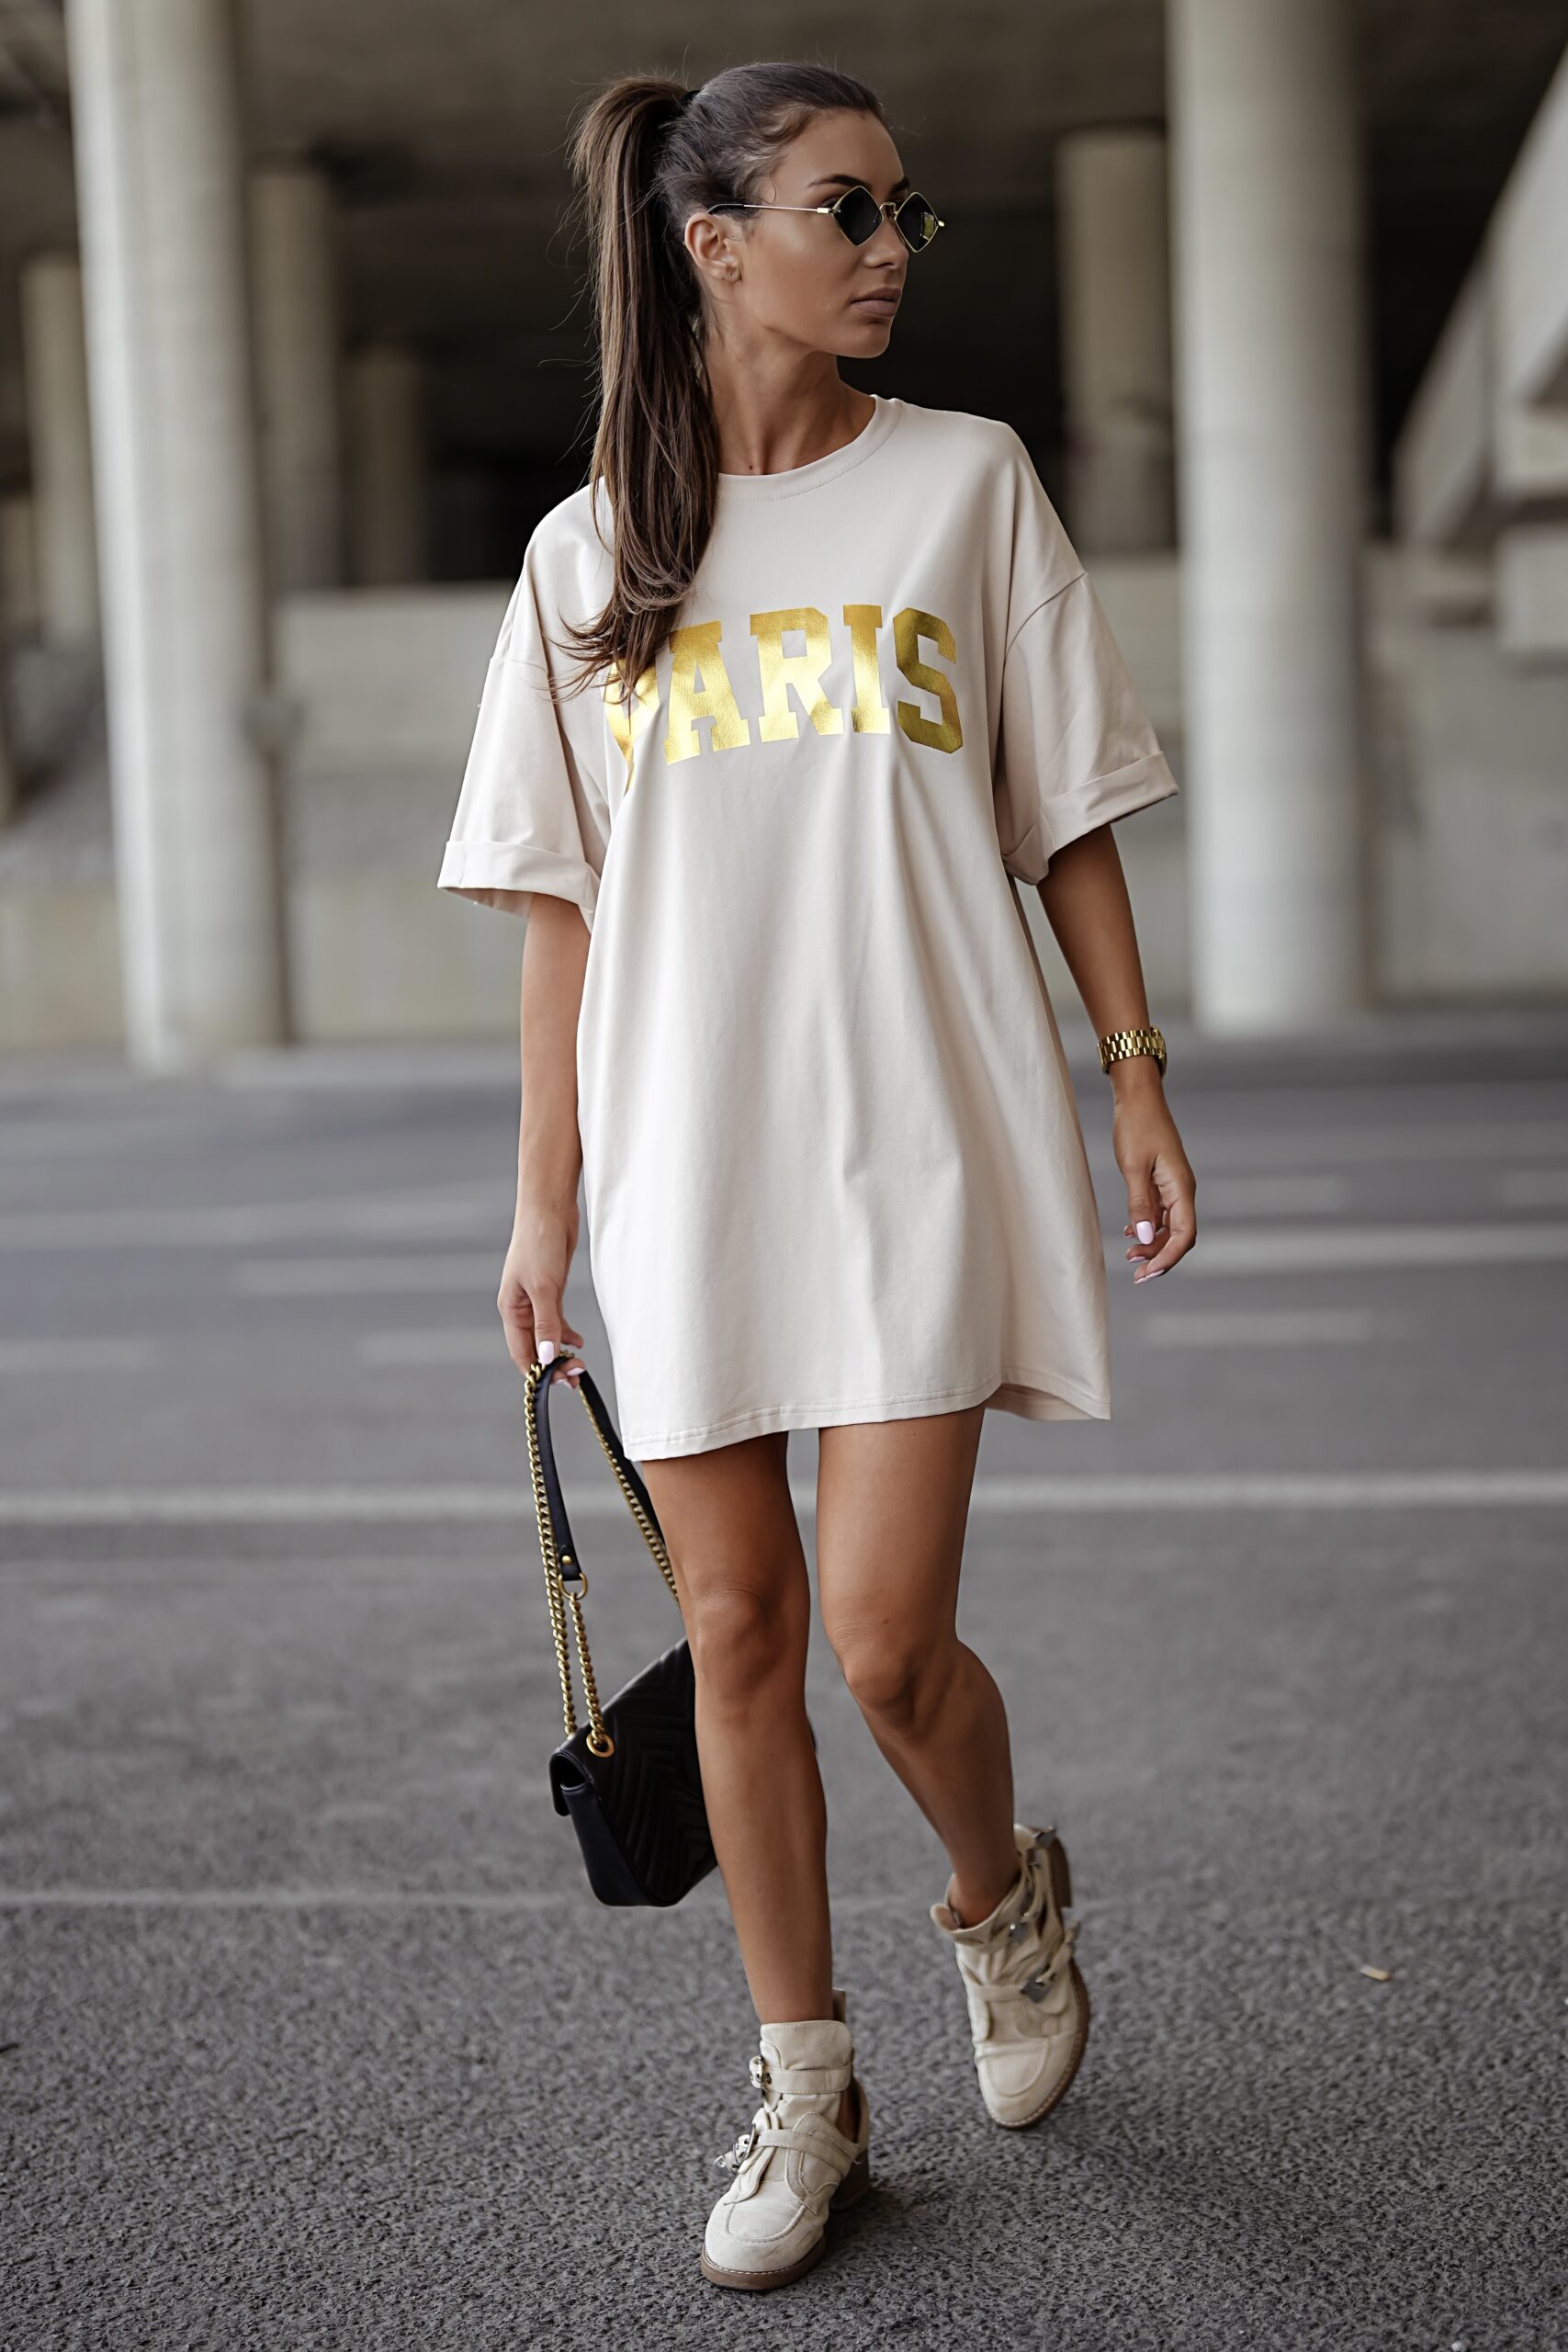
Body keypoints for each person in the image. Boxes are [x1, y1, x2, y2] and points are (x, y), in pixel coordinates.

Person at [437, 59, 1198, 2294]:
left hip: (919, 1130)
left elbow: (1064, 811)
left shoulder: (963, 481)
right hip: (683, 1160)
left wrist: (1133, 1073)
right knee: (739, 1635)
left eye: (899, 215)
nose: (887, 252)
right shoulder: (584, 554)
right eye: (845, 211)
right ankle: (808, 2081)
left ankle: (997, 1894)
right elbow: (561, 914)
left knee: (878, 1638)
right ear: (712, 244)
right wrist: (542, 1206)